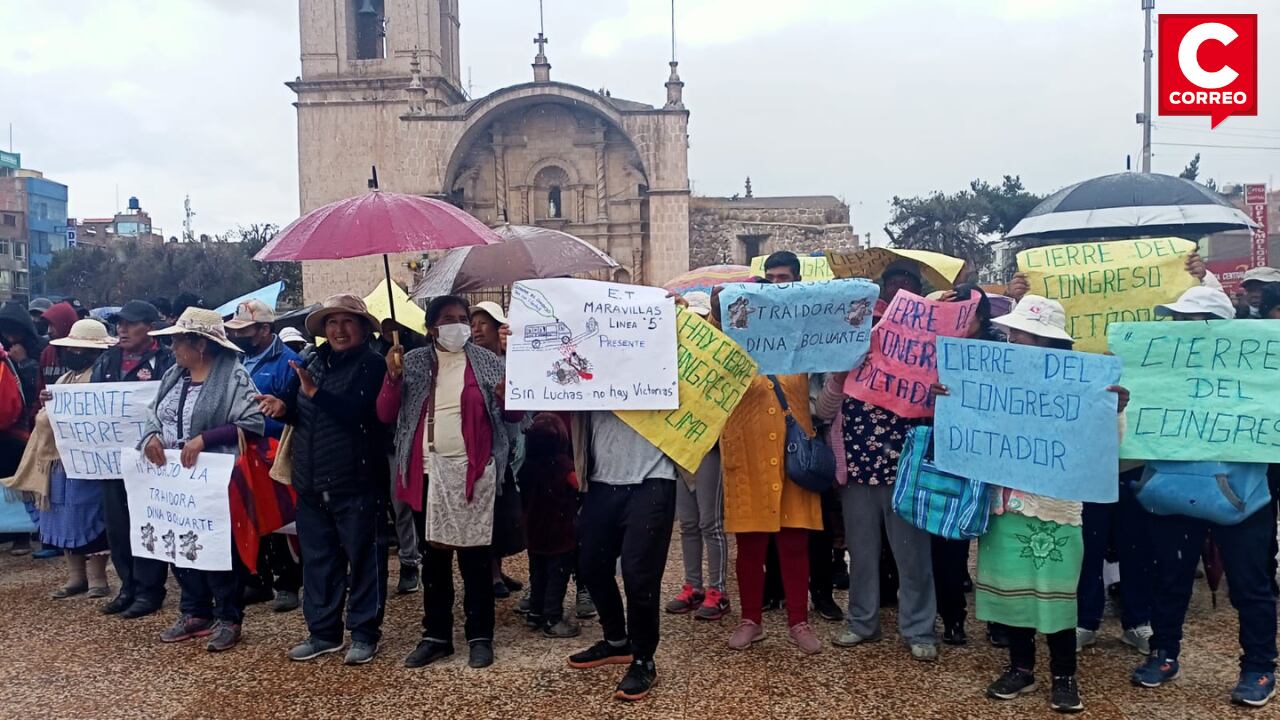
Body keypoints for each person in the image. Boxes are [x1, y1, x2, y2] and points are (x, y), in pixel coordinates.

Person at [949, 295, 1126, 714]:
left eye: (1019, 335)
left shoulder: (1082, 385)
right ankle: (1021, 667)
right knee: (1012, 594)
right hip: (1005, 507)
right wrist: (950, 398)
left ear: (1046, 341)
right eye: (1010, 334)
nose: (1010, 341)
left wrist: (1113, 409)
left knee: (1056, 594)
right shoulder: (997, 381)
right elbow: (975, 421)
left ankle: (1064, 676)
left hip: (1055, 509)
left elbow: (1108, 446)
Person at [1130, 286, 1277, 708]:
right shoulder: (1157, 368)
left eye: (1190, 321)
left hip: (1242, 499)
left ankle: (1259, 667)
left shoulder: (1258, 369)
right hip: (1171, 493)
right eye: (1177, 321)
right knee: (1169, 579)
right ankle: (1164, 653)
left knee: (1250, 586)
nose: (1180, 329)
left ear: (1220, 329)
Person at [381, 295, 513, 670]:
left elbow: (513, 416)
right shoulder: (413, 362)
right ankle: (436, 636)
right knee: (434, 561)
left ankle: (480, 636)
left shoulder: (488, 362)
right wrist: (392, 379)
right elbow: (386, 413)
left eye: (463, 318)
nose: (458, 325)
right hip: (425, 473)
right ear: (430, 327)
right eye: (448, 319)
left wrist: (508, 399)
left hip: (473, 474)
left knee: (474, 560)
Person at [258, 294, 389, 667]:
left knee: (365, 560)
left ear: (363, 328)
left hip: (357, 479)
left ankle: (364, 633)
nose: (338, 329)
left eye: (347, 322)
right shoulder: (312, 361)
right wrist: (280, 406)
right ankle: (323, 632)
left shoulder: (373, 365)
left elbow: (362, 415)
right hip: (311, 481)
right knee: (318, 561)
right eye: (331, 323)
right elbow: (294, 407)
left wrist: (317, 393)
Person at [142, 308, 266, 652]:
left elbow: (252, 422)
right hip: (174, 479)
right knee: (180, 541)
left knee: (217, 546)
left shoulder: (233, 377)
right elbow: (153, 413)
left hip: (215, 476)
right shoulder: (173, 375)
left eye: (179, 340)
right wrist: (152, 436)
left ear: (202, 345)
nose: (173, 347)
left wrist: (204, 439)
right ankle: (195, 611)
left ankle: (229, 616)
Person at [816, 336, 939, 661]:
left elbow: (935, 408)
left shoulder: (915, 369)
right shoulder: (846, 365)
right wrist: (840, 378)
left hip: (904, 479)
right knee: (861, 555)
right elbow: (823, 411)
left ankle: (919, 630)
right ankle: (862, 623)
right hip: (856, 477)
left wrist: (937, 390)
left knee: (913, 558)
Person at [929, 284, 1004, 647]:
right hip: (952, 455)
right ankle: (953, 618)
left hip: (995, 456)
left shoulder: (1003, 348)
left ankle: (1000, 620)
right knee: (948, 542)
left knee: (997, 542)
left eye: (967, 312)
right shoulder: (933, 349)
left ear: (982, 315)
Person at [94, 300, 175, 619]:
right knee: (117, 526)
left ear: (150, 327)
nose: (122, 329)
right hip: (112, 460)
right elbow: (92, 398)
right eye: (119, 324)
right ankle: (127, 585)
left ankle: (150, 589)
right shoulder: (107, 359)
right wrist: (59, 401)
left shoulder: (166, 360)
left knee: (147, 522)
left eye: (130, 324)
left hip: (149, 460)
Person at [225, 300, 303, 613]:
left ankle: (288, 583)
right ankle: (257, 579)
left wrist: (258, 420)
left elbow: (294, 412)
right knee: (250, 514)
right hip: (244, 452)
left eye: (246, 329)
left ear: (265, 329)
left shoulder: (289, 362)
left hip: (274, 451)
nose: (239, 335)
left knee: (283, 521)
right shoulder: (237, 361)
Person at [33, 320, 118, 598]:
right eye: (71, 348)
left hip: (90, 461)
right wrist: (48, 400)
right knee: (62, 515)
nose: (73, 353)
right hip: (60, 461)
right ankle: (75, 577)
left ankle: (97, 578)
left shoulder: (104, 377)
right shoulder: (64, 379)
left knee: (90, 515)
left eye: (79, 349)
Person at [664, 292, 731, 622]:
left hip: (707, 447)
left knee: (710, 522)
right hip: (680, 444)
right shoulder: (671, 354)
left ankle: (718, 590)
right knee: (688, 523)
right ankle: (693, 584)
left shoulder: (716, 353)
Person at [469, 300, 526, 600]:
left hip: (514, 446)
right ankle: (491, 575)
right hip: (488, 449)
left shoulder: (509, 359)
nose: (476, 329)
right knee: (490, 512)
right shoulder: (471, 363)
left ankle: (498, 569)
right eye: (473, 323)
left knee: (506, 515)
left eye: (483, 323)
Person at [518, 411, 581, 637]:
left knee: (537, 574)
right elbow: (579, 485)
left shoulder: (526, 467)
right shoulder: (564, 466)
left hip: (534, 533)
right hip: (560, 534)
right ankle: (552, 618)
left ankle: (535, 613)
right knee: (557, 576)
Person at [36, 302, 79, 394]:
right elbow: (40, 387)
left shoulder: (83, 352)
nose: (49, 331)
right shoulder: (47, 353)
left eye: (53, 325)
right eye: (48, 325)